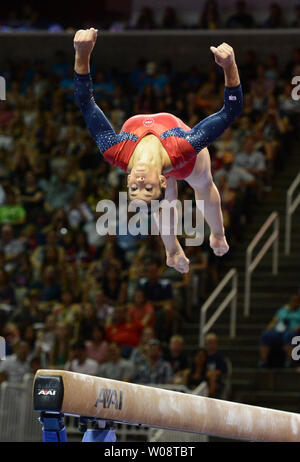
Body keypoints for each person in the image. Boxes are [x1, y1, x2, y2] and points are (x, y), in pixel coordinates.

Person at [73, 29, 243, 273]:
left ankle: (178, 248)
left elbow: (86, 103)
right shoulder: (183, 148)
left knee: (168, 200)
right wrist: (230, 66)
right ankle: (215, 234)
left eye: (134, 188)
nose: (140, 182)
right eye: (148, 188)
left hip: (161, 157)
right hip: (183, 163)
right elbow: (230, 112)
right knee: (202, 183)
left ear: (128, 179)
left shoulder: (114, 151)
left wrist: (82, 54)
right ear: (162, 180)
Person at [259, 294, 300, 368]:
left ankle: (290, 360)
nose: (295, 303)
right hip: (279, 331)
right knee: (266, 334)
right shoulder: (283, 310)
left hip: (293, 331)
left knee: (289, 335)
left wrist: (297, 328)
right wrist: (270, 327)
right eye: (293, 301)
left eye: (297, 301)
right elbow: (274, 320)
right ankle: (264, 360)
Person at [205, 333, 228, 398]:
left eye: (213, 343)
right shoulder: (202, 356)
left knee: (213, 377)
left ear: (217, 344)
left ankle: (209, 397)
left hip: (216, 381)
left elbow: (224, 370)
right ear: (206, 344)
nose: (211, 345)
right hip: (203, 378)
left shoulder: (220, 357)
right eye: (209, 343)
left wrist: (213, 373)